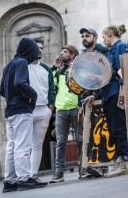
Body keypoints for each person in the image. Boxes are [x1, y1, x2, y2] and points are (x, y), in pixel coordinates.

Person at [0, 37, 47, 192]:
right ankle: (24, 179)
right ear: (29, 50)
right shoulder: (21, 62)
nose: (36, 52)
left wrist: (13, 97)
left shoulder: (8, 65)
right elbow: (20, 82)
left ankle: (10, 181)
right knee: (22, 145)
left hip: (10, 111)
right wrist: (32, 95)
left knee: (12, 145)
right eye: (35, 49)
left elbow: (2, 90)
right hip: (21, 110)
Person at [78, 27, 110, 178]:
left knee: (103, 133)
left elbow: (107, 77)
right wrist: (81, 104)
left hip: (102, 97)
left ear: (95, 38)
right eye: (83, 36)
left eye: (87, 36)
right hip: (87, 101)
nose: (84, 38)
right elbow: (81, 81)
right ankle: (91, 167)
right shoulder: (82, 56)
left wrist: (96, 93)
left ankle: (104, 167)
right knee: (90, 135)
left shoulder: (104, 52)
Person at [99, 24, 128, 178]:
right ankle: (119, 160)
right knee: (113, 129)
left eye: (104, 37)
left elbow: (123, 68)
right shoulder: (111, 50)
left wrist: (122, 90)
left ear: (109, 34)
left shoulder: (120, 46)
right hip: (108, 94)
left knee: (119, 128)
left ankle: (124, 161)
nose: (103, 40)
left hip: (115, 93)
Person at [50, 45, 83, 183]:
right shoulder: (57, 71)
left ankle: (83, 168)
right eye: (62, 51)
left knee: (80, 139)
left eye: (65, 52)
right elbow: (51, 86)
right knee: (61, 142)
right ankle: (59, 172)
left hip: (76, 108)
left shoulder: (77, 70)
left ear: (72, 55)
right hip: (61, 109)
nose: (61, 54)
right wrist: (54, 68)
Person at [28, 38, 55, 180]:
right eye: (37, 47)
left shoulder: (45, 69)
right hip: (27, 111)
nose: (40, 50)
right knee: (25, 145)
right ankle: (24, 175)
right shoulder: (23, 66)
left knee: (37, 144)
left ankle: (33, 175)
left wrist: (50, 108)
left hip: (43, 110)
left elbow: (51, 88)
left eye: (41, 48)